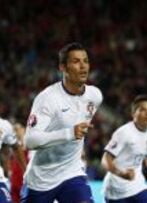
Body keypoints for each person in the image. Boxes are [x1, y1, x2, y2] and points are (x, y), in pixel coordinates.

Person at [21, 42, 103, 203]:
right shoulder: (47, 99)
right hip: (41, 179)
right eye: (76, 61)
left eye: (85, 61)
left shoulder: (95, 96)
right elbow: (29, 141)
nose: (83, 66)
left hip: (72, 173)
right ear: (62, 67)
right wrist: (69, 133)